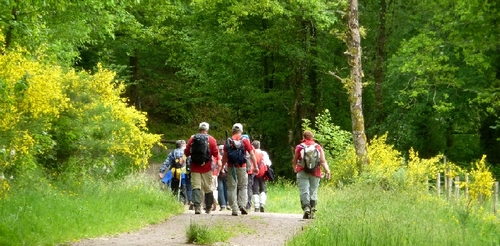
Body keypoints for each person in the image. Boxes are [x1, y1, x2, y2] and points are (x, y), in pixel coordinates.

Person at [292, 130, 331, 219]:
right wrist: (327, 170)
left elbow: (294, 161)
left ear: (303, 137)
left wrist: (295, 169)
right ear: (312, 137)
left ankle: (306, 208)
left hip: (302, 171)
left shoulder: (299, 147)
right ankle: (312, 208)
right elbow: (322, 161)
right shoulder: (318, 147)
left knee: (304, 190)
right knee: (313, 190)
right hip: (316, 172)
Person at [222, 123, 258, 216]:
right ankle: (242, 205)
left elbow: (225, 157)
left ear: (232, 131)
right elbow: (252, 154)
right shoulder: (245, 140)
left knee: (231, 188)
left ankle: (234, 209)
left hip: (231, 167)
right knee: (243, 187)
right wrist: (256, 166)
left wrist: (221, 167)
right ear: (241, 131)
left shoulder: (228, 141)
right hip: (242, 166)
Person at [184, 122, 219, 214]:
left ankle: (197, 207)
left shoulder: (192, 138)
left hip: (194, 167)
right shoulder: (211, 139)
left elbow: (187, 152)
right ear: (207, 129)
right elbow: (215, 153)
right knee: (208, 187)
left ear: (199, 129)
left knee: (196, 186)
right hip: (207, 167)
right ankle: (208, 207)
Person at [251, 140, 272, 212]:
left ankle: (256, 206)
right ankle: (262, 204)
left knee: (255, 190)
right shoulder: (263, 153)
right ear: (259, 146)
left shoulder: (252, 152)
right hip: (263, 173)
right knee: (263, 189)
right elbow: (268, 163)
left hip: (254, 173)